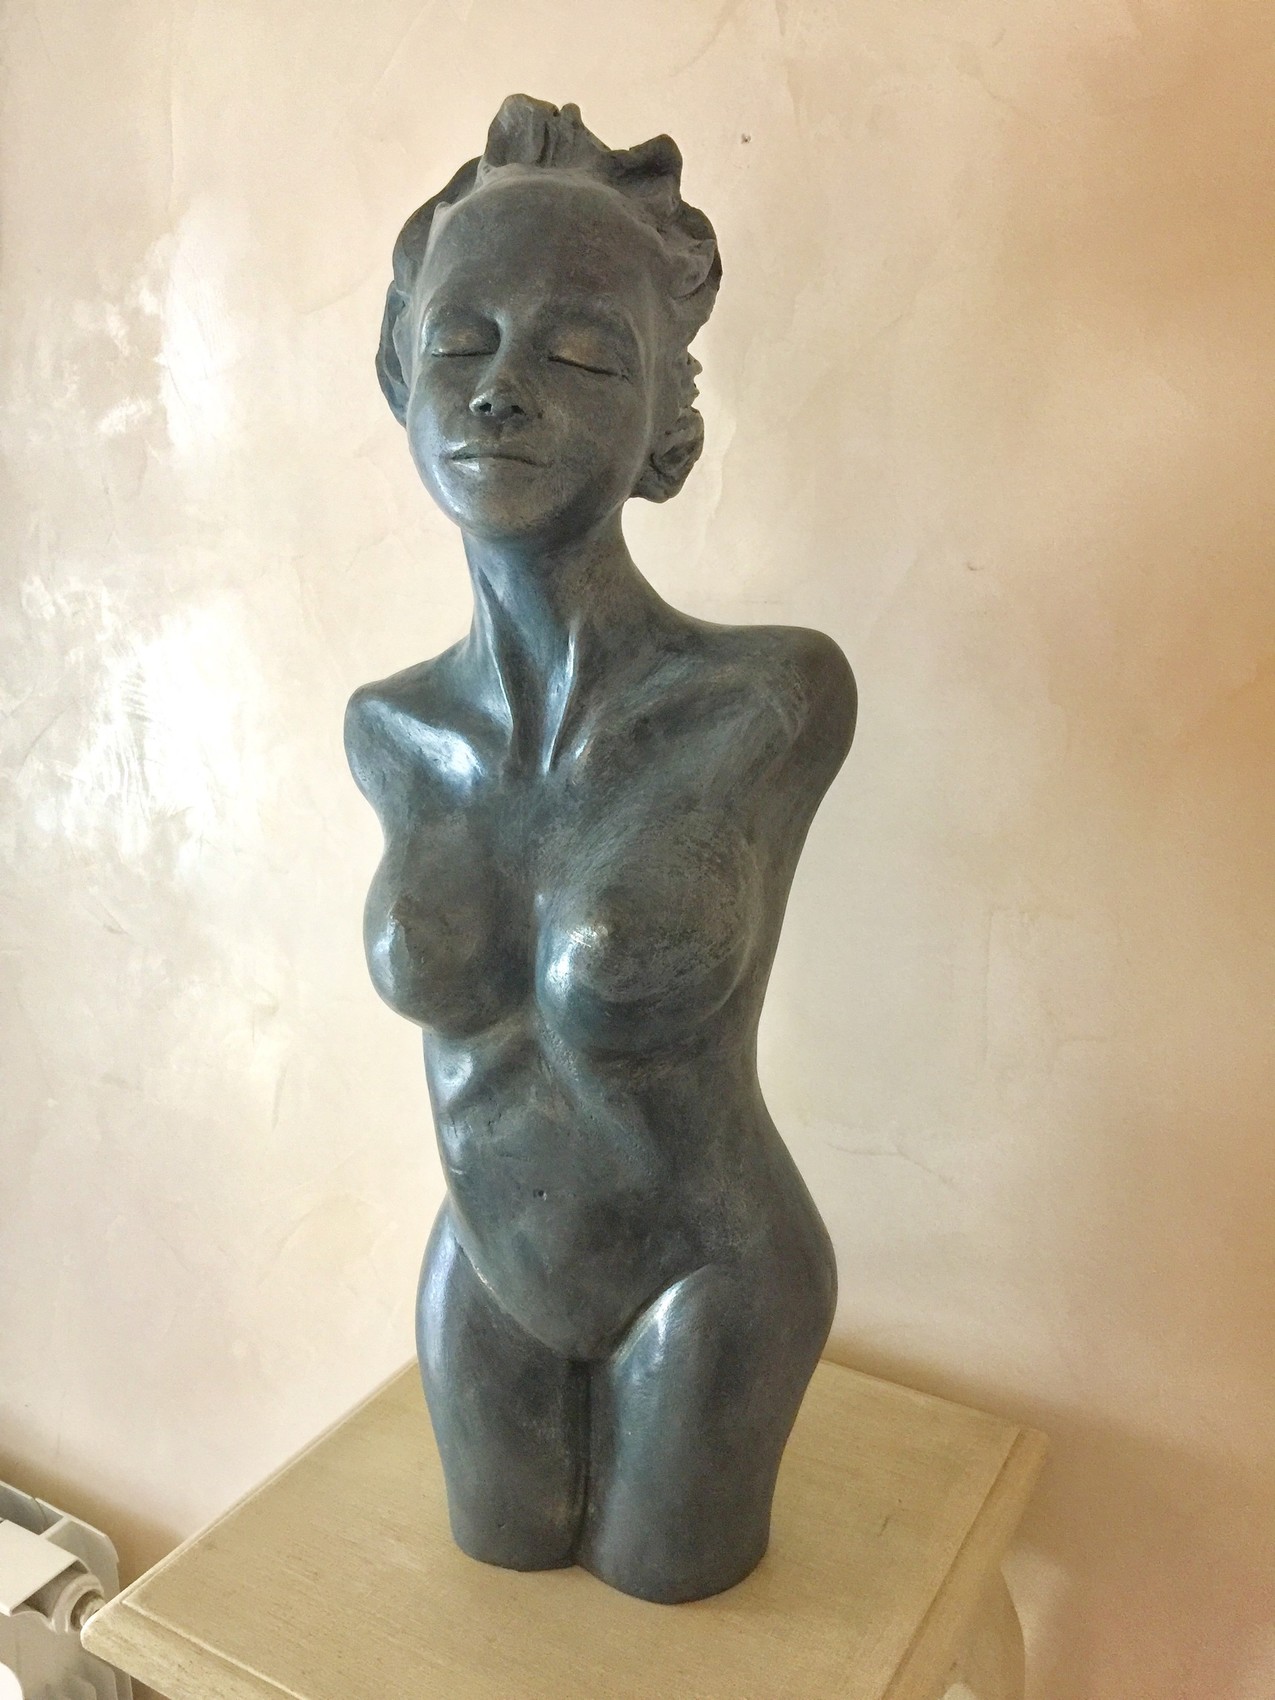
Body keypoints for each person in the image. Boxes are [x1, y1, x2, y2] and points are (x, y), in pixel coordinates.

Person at [346, 95, 856, 1604]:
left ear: (666, 432)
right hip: (480, 1281)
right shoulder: (391, 731)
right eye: (461, 343)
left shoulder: (768, 700)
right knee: (479, 1628)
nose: (503, 392)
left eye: (579, 357)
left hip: (710, 1285)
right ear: (400, 375)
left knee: (679, 1639)